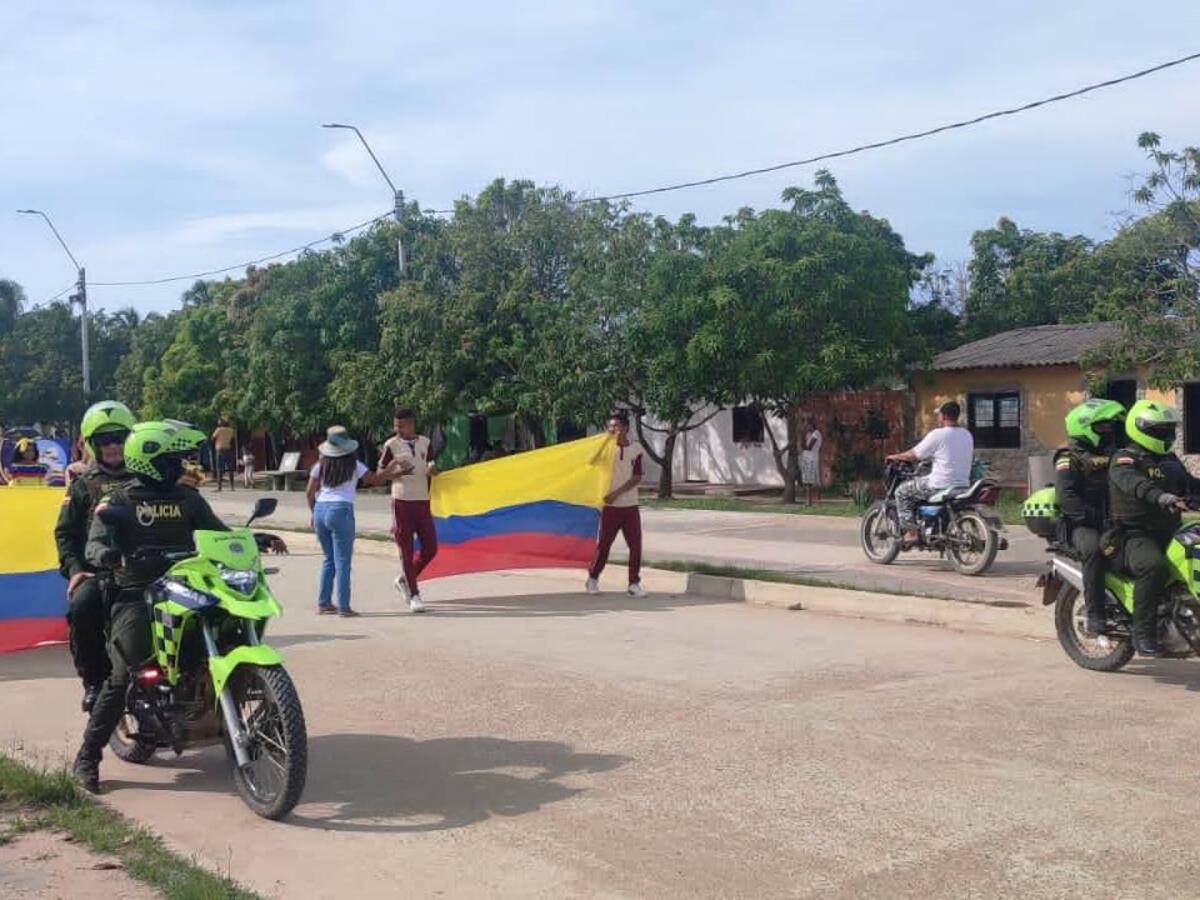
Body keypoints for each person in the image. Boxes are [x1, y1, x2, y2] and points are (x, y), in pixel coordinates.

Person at [72, 420, 229, 793]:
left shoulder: (188, 498)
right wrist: (108, 555)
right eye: (173, 460)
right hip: (136, 594)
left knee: (228, 633)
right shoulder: (118, 501)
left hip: (187, 585)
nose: (181, 466)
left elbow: (218, 531)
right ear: (151, 461)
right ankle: (87, 756)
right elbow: (93, 545)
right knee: (125, 673)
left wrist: (253, 538)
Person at [54, 401, 137, 713]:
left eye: (119, 437)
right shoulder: (82, 485)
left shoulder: (152, 477)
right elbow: (64, 534)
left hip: (150, 568)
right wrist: (75, 570)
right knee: (82, 605)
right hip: (100, 572)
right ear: (92, 444)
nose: (113, 445)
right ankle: (94, 682)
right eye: (104, 440)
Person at [1108, 400, 1200, 657]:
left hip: (1169, 530)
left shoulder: (1169, 459)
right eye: (1161, 430)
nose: (1167, 436)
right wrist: (1162, 497)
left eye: (1169, 430)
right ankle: (1143, 632)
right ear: (1142, 429)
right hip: (1133, 534)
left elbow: (1191, 485)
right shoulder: (1124, 459)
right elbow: (1137, 485)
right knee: (1153, 566)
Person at [306, 427, 399, 617]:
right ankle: (344, 607)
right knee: (342, 562)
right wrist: (390, 471)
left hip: (321, 509)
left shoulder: (320, 465)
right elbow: (375, 480)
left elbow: (309, 492)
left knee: (328, 559)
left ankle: (323, 603)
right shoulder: (354, 465)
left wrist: (313, 512)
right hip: (341, 510)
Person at [1055, 399, 1127, 637]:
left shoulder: (1115, 455)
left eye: (1109, 427)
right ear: (1083, 427)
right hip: (1081, 525)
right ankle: (1095, 615)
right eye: (1101, 427)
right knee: (1095, 550)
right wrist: (1097, 519)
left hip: (1113, 521)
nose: (1107, 431)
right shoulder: (1068, 459)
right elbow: (1067, 498)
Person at [886, 401, 974, 546]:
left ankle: (911, 533)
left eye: (939, 415)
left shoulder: (938, 434)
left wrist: (894, 457)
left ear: (944, 416)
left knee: (902, 491)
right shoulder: (966, 434)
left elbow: (914, 454)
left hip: (939, 484)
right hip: (963, 484)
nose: (938, 418)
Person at [381, 410, 437, 613]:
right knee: (406, 549)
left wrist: (432, 468)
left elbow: (430, 462)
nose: (397, 430)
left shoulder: (425, 442)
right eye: (395, 426)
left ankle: (404, 580)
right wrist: (397, 472)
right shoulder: (391, 445)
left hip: (422, 500)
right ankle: (414, 595)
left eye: (401, 426)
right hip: (402, 502)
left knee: (431, 548)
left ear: (412, 425)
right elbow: (381, 473)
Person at [586, 411, 646, 597]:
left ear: (625, 428)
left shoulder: (636, 449)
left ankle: (633, 583)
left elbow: (636, 477)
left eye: (616, 426)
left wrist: (616, 494)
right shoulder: (606, 449)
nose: (612, 430)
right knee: (604, 545)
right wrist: (605, 440)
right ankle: (593, 578)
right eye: (610, 426)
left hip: (630, 506)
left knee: (635, 546)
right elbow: (591, 461)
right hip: (610, 509)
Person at [800, 415, 823, 507]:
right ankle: (809, 501)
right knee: (808, 481)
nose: (805, 427)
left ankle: (816, 501)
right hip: (807, 458)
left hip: (812, 458)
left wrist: (802, 436)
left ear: (811, 424)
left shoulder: (816, 434)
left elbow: (808, 447)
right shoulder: (809, 434)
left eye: (806, 424)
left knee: (812, 480)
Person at [210, 418, 236, 492]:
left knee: (219, 469)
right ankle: (232, 487)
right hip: (228, 450)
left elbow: (212, 438)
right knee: (230, 469)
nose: (218, 422)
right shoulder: (231, 430)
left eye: (219, 421)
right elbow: (233, 441)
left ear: (221, 422)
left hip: (220, 450)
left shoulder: (218, 430)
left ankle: (219, 487)